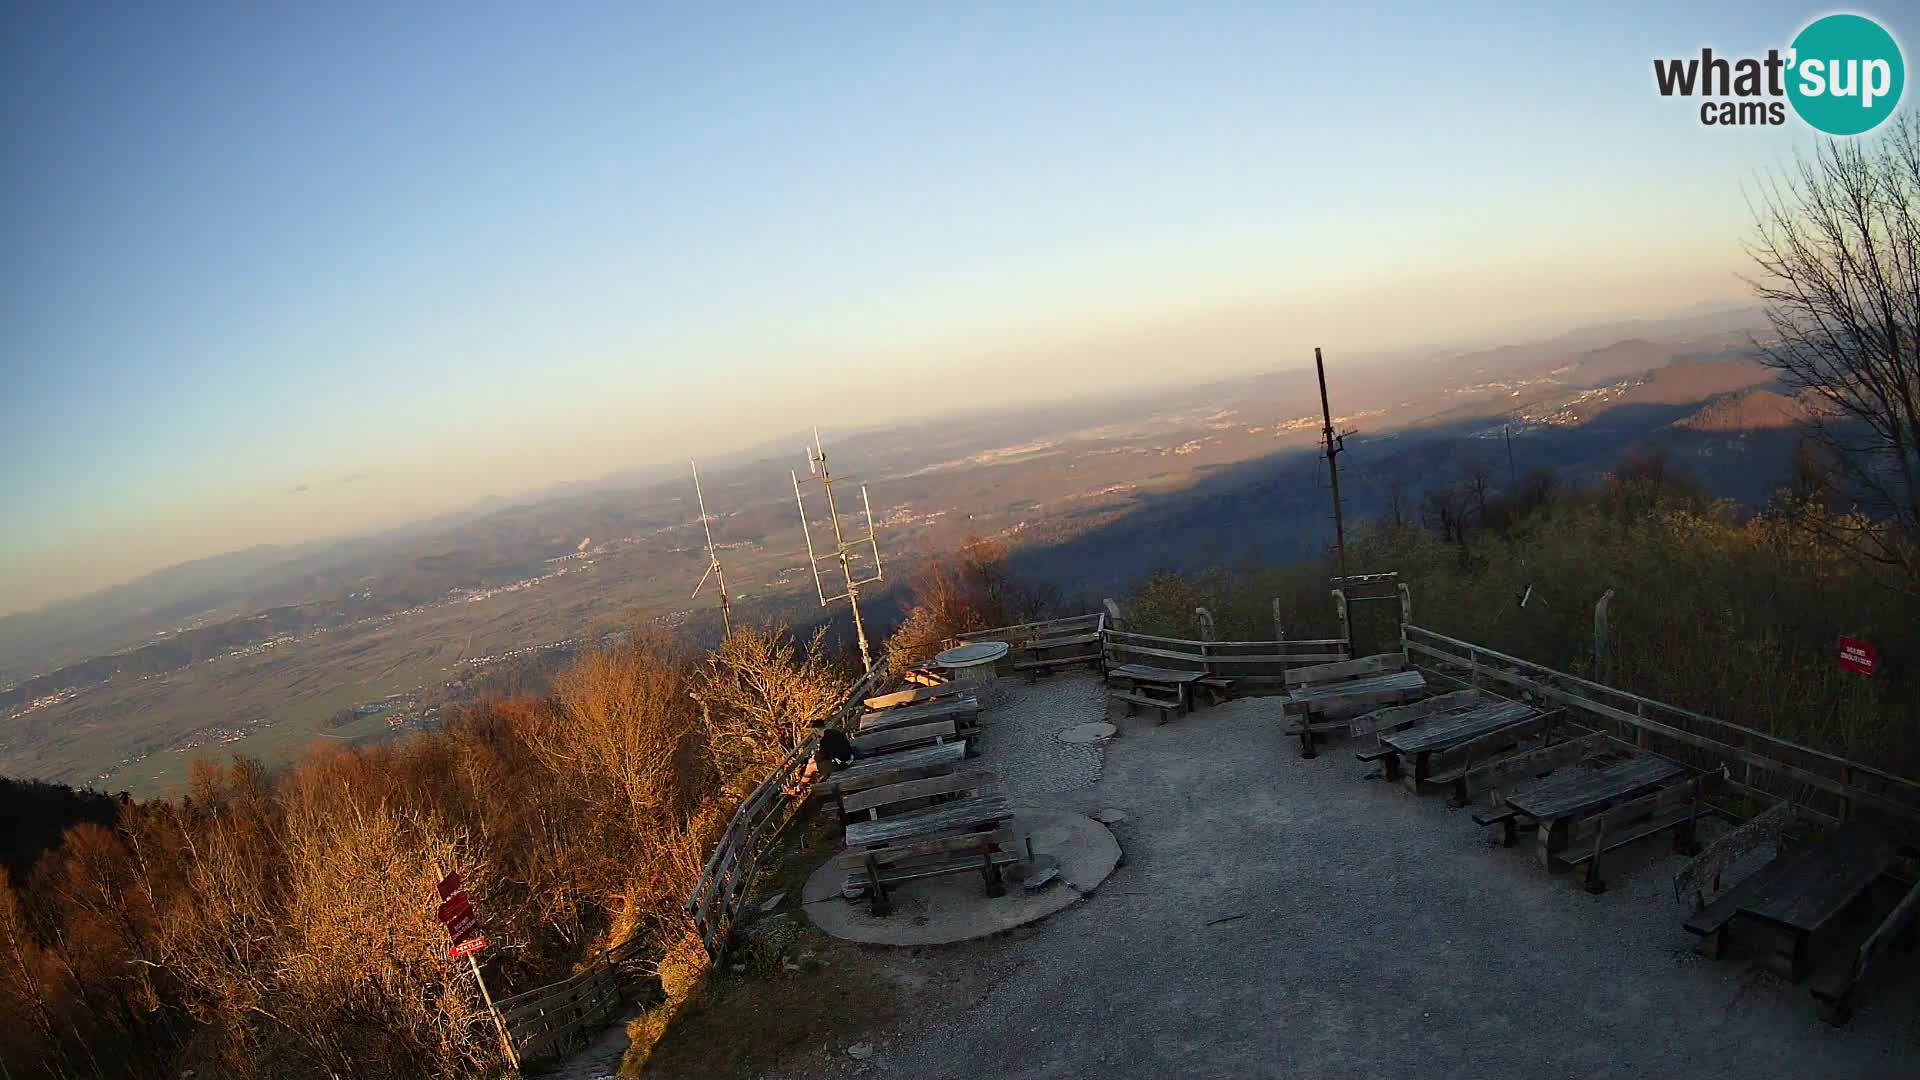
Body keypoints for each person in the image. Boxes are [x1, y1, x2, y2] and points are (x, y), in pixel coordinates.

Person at [787, 728, 855, 795]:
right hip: (849, 757)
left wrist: (813, 757)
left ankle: (799, 789)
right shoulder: (833, 732)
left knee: (810, 766)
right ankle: (803, 786)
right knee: (811, 762)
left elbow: (819, 757)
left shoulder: (825, 740)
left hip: (843, 763)